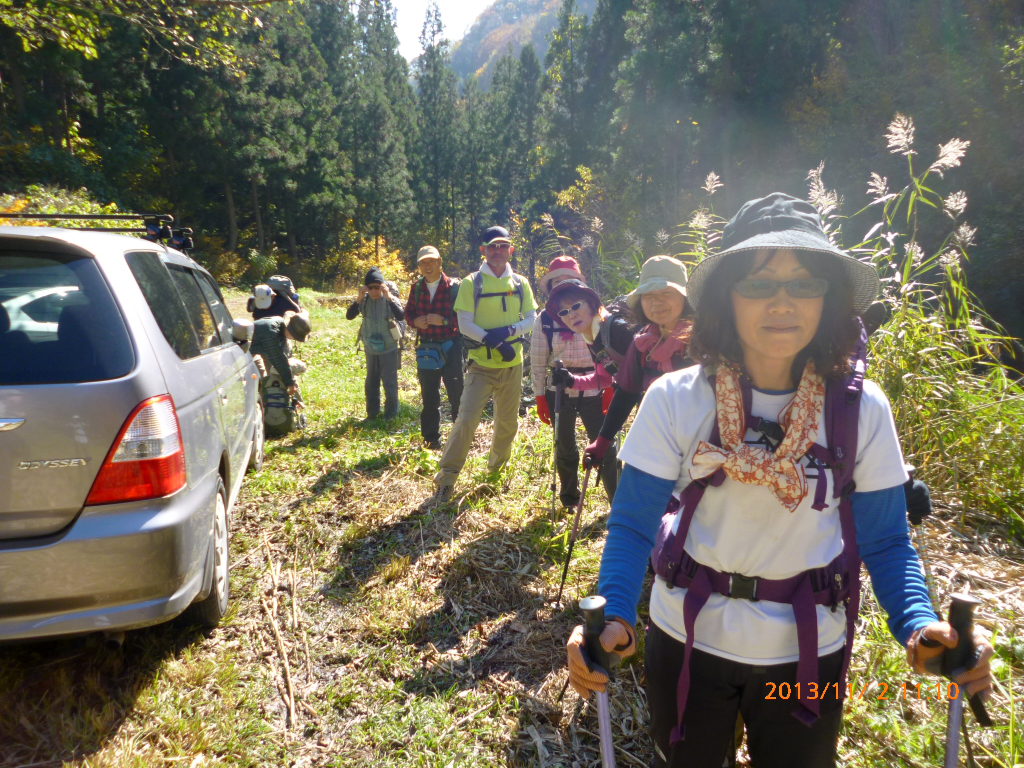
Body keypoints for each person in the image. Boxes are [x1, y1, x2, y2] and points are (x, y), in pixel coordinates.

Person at [564, 193, 993, 768]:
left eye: (805, 282)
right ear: (727, 299)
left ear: (828, 298)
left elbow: (887, 540)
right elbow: (635, 519)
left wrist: (919, 624)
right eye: (760, 284)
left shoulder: (861, 409)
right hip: (687, 637)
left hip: (805, 656)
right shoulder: (677, 398)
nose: (783, 301)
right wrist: (615, 610)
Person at [432, 226, 537, 503]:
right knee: (466, 420)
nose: (498, 251)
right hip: (480, 365)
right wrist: (492, 341)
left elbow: (531, 318)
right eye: (493, 246)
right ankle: (446, 478)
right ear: (484, 250)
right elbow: (464, 324)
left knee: (507, 423)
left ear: (510, 249)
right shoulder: (472, 282)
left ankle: (495, 476)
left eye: (503, 246)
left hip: (513, 364)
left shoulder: (520, 283)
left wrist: (508, 333)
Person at [582, 255, 693, 468]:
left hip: (696, 446)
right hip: (654, 435)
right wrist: (602, 441)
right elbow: (627, 392)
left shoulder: (700, 343)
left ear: (684, 297)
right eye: (648, 295)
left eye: (667, 293)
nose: (657, 301)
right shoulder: (644, 342)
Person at [534, 278, 630, 505]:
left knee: (607, 447)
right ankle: (578, 500)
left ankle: (622, 506)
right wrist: (570, 381)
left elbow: (630, 373)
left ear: (592, 303)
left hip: (658, 392)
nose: (571, 314)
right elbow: (603, 377)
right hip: (573, 391)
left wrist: (614, 392)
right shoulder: (593, 335)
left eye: (576, 306)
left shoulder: (613, 328)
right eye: (565, 311)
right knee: (566, 445)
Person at [405, 245, 463, 449]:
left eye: (432, 261)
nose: (428, 266)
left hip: (451, 347)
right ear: (419, 266)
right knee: (429, 397)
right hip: (427, 349)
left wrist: (445, 322)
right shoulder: (417, 287)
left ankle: (459, 438)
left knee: (457, 394)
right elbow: (408, 313)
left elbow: (464, 318)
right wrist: (415, 322)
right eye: (423, 262)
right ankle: (431, 440)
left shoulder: (455, 287)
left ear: (440, 263)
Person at [347, 267, 405, 420]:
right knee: (371, 383)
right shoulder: (364, 301)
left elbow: (400, 315)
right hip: (371, 349)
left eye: (377, 287)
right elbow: (349, 316)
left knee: (389, 383)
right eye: (370, 288)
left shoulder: (389, 299)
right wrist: (359, 297)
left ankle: (391, 414)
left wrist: (388, 296)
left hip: (389, 348)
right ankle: (372, 413)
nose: (374, 291)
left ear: (382, 286)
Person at [250, 311, 311, 393]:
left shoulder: (280, 325)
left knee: (263, 380)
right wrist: (290, 383)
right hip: (238, 352)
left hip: (253, 353)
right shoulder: (271, 333)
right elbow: (278, 360)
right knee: (255, 383)